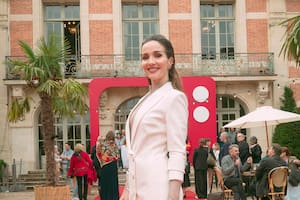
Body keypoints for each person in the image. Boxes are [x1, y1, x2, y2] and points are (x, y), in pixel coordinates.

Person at [120, 34, 188, 200]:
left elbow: (177, 151)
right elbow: (135, 153)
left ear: (170, 61)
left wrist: (172, 196)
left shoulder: (174, 97)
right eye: (145, 57)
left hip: (159, 187)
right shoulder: (144, 100)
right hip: (137, 187)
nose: (150, 61)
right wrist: (128, 191)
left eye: (158, 55)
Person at [97, 130, 119, 200]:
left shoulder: (102, 144)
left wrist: (104, 159)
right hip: (113, 166)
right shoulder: (115, 145)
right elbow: (117, 156)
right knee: (113, 182)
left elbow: (98, 154)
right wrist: (111, 157)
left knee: (105, 183)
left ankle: (105, 197)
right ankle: (114, 197)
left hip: (105, 166)